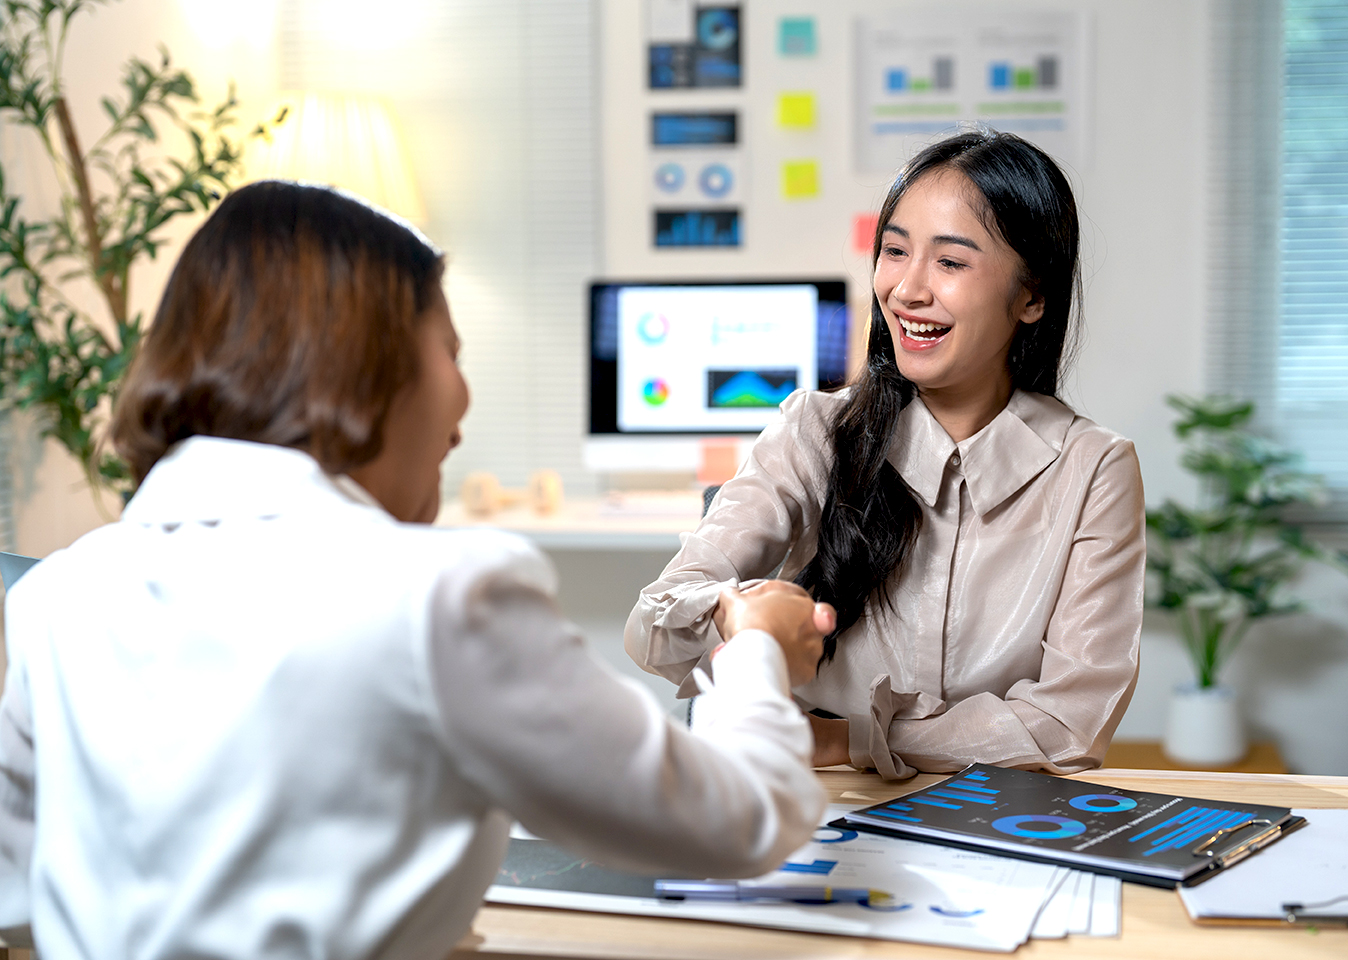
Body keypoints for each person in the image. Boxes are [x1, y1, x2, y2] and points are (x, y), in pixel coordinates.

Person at [0, 181, 836, 959]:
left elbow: (16, 898)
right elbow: (743, 820)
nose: (463, 409)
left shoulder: (54, 596)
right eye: (450, 351)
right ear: (366, 365)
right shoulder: (438, 596)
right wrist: (756, 648)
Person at [626, 131, 1145, 781]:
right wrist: (734, 614)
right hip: (814, 806)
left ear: (1032, 296)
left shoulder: (1094, 469)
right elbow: (652, 621)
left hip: (988, 821)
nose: (906, 290)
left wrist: (844, 742)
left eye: (950, 263)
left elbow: (1070, 724)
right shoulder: (813, 431)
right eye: (895, 251)